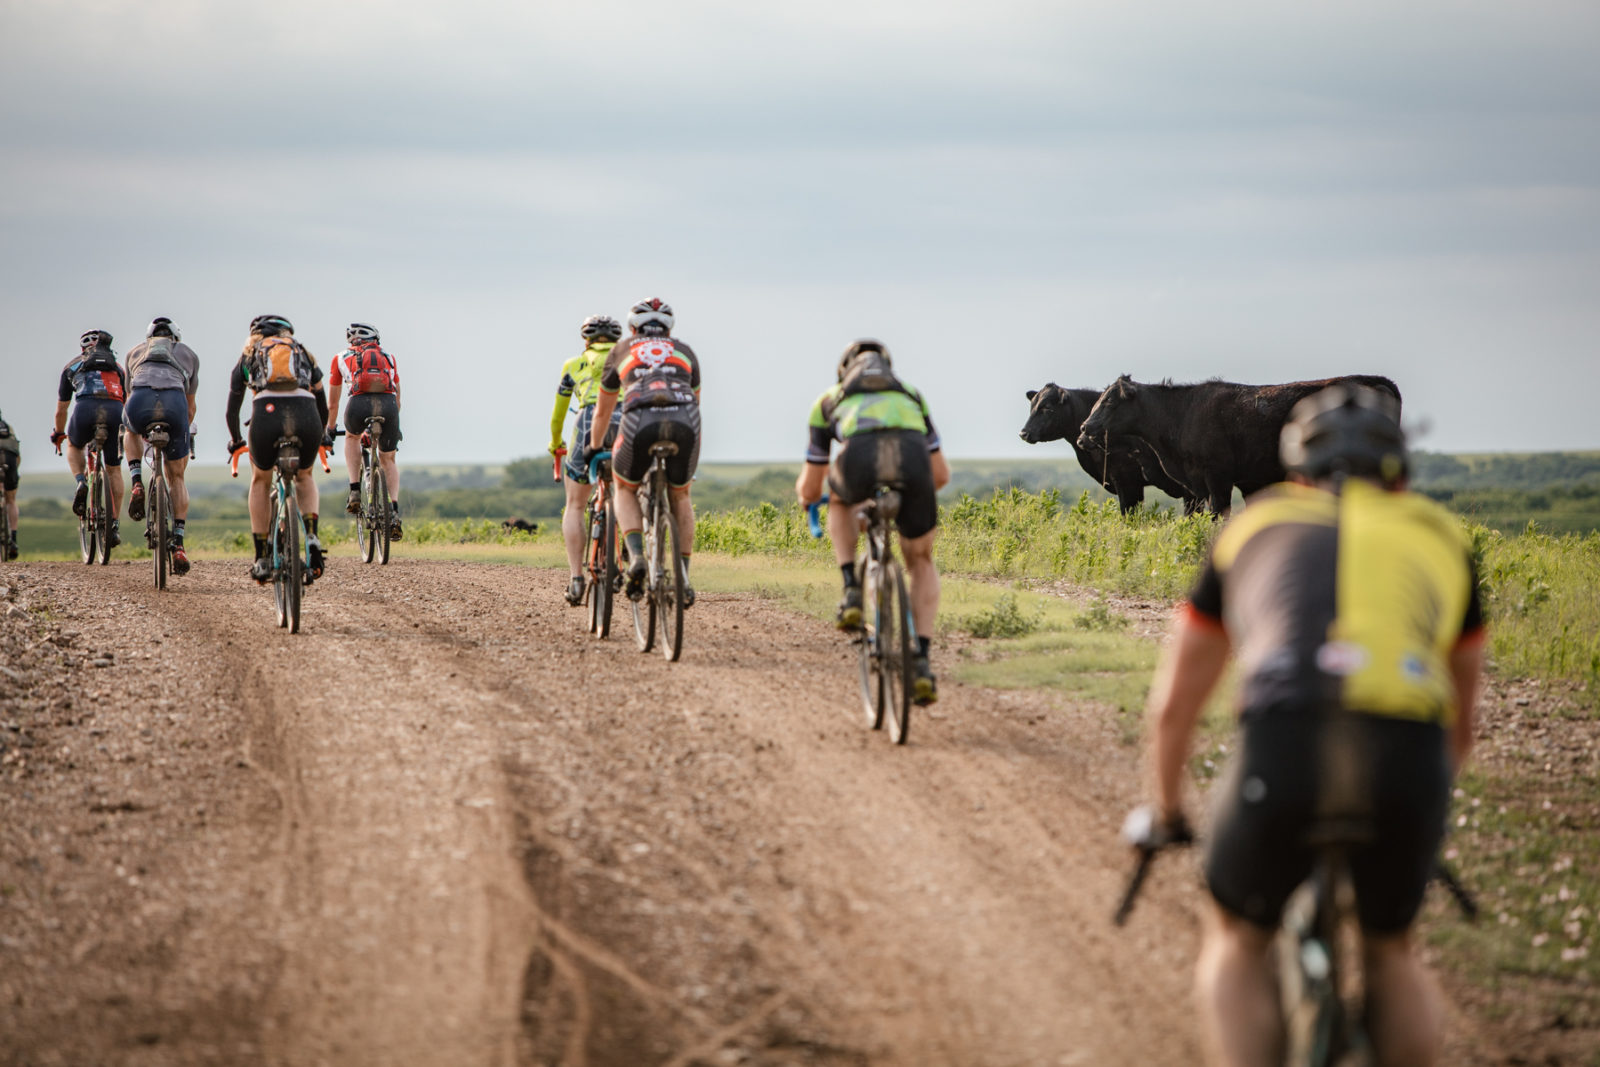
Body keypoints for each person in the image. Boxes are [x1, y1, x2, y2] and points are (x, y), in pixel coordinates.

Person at [1136, 384, 1484, 1067]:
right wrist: (1423, 806)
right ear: (1399, 469)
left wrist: (1168, 808)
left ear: (1295, 466)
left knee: (1236, 939)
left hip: (1285, 743)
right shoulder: (1442, 538)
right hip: (1402, 752)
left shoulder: (1252, 525)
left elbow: (1175, 703)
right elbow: (1462, 718)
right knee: (1391, 949)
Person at [795, 339, 949, 705]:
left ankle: (851, 588)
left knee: (836, 497)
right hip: (912, 460)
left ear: (843, 371)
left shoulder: (829, 400)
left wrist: (807, 498)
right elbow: (940, 474)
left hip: (858, 459)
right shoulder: (912, 395)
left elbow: (813, 482)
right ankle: (922, 661)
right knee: (921, 561)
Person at [589, 298, 700, 606]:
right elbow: (696, 400)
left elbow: (602, 413)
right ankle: (684, 577)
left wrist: (595, 448)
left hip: (639, 420)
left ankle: (636, 556)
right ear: (668, 328)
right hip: (685, 421)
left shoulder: (621, 350)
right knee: (681, 495)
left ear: (632, 327)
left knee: (624, 486)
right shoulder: (686, 352)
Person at [224, 315, 331, 585]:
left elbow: (232, 408)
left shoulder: (249, 355)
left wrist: (236, 439)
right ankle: (311, 537)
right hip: (307, 415)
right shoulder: (302, 352)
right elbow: (321, 398)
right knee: (305, 476)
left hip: (267, 414)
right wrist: (324, 434)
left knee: (261, 479)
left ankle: (261, 556)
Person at [550, 314, 622, 606]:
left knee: (576, 504)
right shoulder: (628, 359)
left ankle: (576, 578)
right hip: (626, 420)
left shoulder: (573, 365)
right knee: (629, 492)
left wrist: (556, 443)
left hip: (588, 421)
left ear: (587, 340)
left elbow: (558, 415)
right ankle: (626, 555)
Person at [122, 317, 200, 575]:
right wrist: (181, 433)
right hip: (175, 406)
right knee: (177, 477)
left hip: (140, 402)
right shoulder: (189, 355)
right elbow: (190, 408)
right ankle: (178, 543)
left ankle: (136, 480)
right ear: (175, 338)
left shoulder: (134, 352)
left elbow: (128, 395)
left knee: (129, 428)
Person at [325, 322, 403, 540]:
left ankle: (355, 491)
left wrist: (330, 429)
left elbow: (333, 403)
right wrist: (393, 426)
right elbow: (397, 398)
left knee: (352, 437)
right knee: (388, 459)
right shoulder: (389, 357)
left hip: (358, 405)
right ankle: (394, 513)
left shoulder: (340, 357)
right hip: (388, 406)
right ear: (375, 340)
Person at [52, 330, 127, 548]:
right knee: (114, 470)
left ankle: (81, 482)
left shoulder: (71, 366)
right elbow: (129, 399)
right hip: (115, 411)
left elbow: (61, 410)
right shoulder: (117, 367)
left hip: (84, 409)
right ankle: (114, 524)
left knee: (74, 446)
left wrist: (58, 433)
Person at [0, 410, 20, 560]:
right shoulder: (8, 427)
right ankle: (13, 539)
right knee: (11, 499)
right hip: (10, 459)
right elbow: (17, 455)